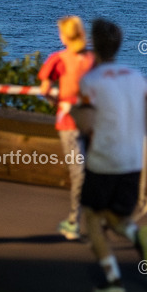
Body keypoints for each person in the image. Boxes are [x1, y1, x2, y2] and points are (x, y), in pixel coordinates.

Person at [72, 17, 147, 292]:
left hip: (103, 159)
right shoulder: (138, 78)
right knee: (115, 215)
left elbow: (85, 124)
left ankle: (113, 280)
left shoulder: (91, 81)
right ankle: (136, 235)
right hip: (132, 160)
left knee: (92, 219)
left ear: (93, 46)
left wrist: (75, 112)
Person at [38, 16, 95, 240]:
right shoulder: (93, 59)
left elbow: (44, 89)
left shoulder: (58, 59)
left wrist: (57, 102)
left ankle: (74, 221)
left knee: (79, 173)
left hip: (69, 121)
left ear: (63, 36)